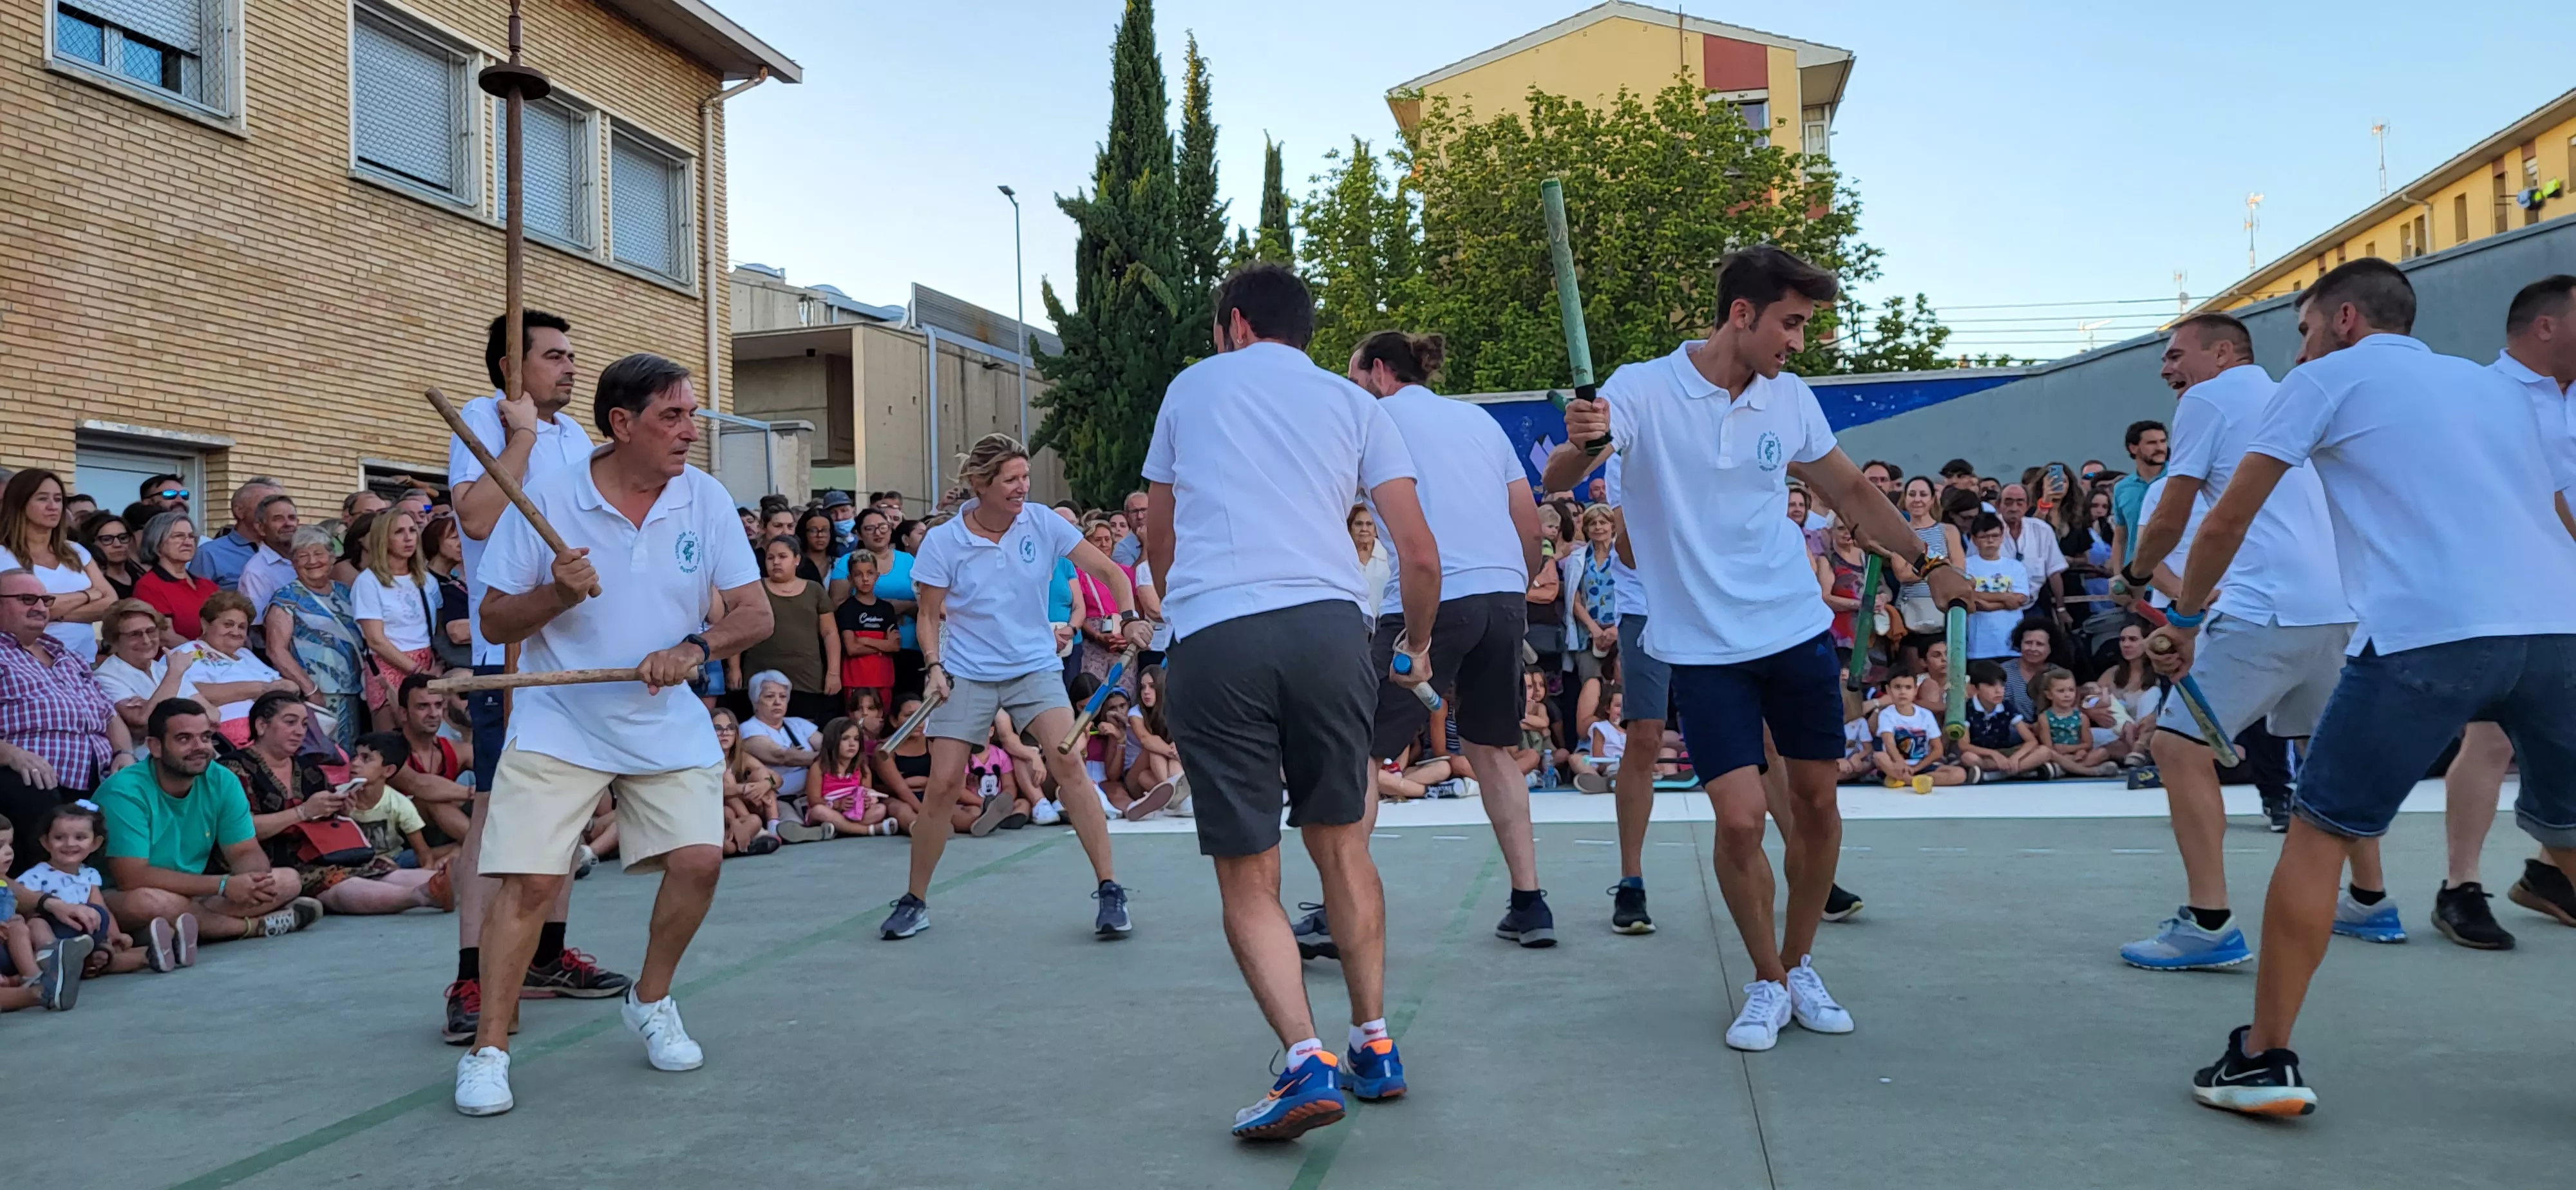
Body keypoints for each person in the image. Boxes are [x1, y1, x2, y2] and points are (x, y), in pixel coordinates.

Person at [2154, 259, 2576, 1117]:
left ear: (2343, 319)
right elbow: (2559, 511)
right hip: (2555, 629)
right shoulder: (2489, 386)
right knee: (2572, 846)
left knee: (2319, 834)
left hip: (2429, 629)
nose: (2299, 348)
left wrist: (2187, 616)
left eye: (2305, 329)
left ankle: (2263, 1061)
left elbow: (2228, 515)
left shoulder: (2326, 379)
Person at [1546, 245, 1973, 1054]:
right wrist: (1585, 438)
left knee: (1816, 806)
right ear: (1741, 314)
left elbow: (1850, 490)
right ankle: (1766, 979)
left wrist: (1930, 565)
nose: (1798, 342)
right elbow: (1565, 476)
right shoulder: (1639, 388)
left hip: (1793, 629)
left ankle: (1800, 961)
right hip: (1702, 649)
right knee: (1740, 823)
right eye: (1791, 323)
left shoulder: (1790, 398)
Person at [1143, 263, 1439, 1138]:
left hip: (1220, 631)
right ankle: (1375, 1043)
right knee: (1344, 846)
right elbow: (1417, 554)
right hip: (1329, 627)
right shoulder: (1359, 407)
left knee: (1250, 869)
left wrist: (1193, 611)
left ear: (1233, 324)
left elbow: (1160, 534)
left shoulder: (1191, 390)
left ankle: (1305, 1060)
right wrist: (1414, 647)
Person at [454, 351, 770, 1118]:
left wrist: (694, 648)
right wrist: (553, 596)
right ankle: (487, 1050)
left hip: (664, 715)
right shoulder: (551, 499)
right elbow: (494, 620)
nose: (690, 431)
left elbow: (754, 613)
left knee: (700, 860)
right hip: (562, 719)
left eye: (691, 414)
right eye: (674, 416)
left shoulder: (705, 499)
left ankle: (651, 1000)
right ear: (621, 424)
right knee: (530, 880)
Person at [2120, 311, 2363, 975]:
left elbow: (2174, 517)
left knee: (2174, 745)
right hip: (2333, 608)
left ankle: (2207, 923)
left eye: (2176, 354)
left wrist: (2146, 585)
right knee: (2328, 750)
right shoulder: (2292, 395)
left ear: (2224, 353)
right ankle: (2370, 901)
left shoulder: (2208, 399)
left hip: (2266, 608)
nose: (2167, 368)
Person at [878, 433, 1151, 942]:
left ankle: (1110, 889)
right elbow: (930, 616)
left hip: (1032, 664)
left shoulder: (1043, 522)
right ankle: (914, 900)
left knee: (1068, 764)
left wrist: (1129, 616)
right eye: (1012, 480)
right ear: (981, 484)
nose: (1023, 487)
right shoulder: (944, 541)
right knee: (941, 785)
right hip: (965, 669)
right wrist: (934, 666)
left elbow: (1111, 571)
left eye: (1025, 477)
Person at [442, 308, 629, 1048]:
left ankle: (546, 956)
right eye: (554, 356)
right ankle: (471, 974)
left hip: (572, 655)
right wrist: (518, 434)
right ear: (511, 367)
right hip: (510, 654)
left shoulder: (578, 437)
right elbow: (482, 520)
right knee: (495, 820)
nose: (570, 367)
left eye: (572, 355)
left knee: (565, 811)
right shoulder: (483, 421)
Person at [1343, 330, 1552, 942]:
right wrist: (1509, 585)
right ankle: (1530, 901)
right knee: (1492, 751)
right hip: (1503, 596)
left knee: (1358, 750)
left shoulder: (1373, 423)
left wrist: (1417, 637)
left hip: (1434, 592)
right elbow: (1529, 527)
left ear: (1379, 372)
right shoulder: (1479, 422)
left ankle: (1342, 907)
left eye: (1356, 379)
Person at [2438, 274, 2576, 947]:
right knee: (2490, 738)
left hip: (2564, 592)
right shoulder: (2482, 394)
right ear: (2545, 325)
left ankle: (2550, 871)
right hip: (2511, 593)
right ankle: (2459, 887)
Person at [97, 699, 319, 942]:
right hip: (122, 895)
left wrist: (254, 881)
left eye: (205, 737)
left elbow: (244, 850)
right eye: (184, 739)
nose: (200, 747)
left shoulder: (222, 779)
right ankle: (254, 926)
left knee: (287, 881)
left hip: (197, 894)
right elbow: (132, 877)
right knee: (149, 902)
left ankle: (177, 931)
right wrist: (223, 886)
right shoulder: (124, 791)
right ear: (155, 747)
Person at [0, 569, 137, 868]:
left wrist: (124, 753)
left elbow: (110, 715)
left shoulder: (69, 657)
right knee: (27, 789)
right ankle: (44, 900)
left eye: (45, 600)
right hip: (36, 776)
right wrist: (10, 754)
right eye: (26, 599)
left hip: (99, 775)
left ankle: (132, 888)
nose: (39, 607)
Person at [24, 800, 167, 975]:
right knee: (36, 923)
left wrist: (114, 934)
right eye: (59, 838)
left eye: (80, 838)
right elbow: (27, 910)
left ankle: (157, 954)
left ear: (95, 843)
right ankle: (54, 958)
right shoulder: (36, 876)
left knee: (109, 952)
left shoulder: (89, 875)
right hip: (57, 934)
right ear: (46, 842)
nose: (70, 844)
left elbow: (102, 909)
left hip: (88, 936)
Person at [261, 527, 365, 751]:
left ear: (331, 557)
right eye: (303, 555)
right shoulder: (286, 598)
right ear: (293, 562)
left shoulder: (346, 592)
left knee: (352, 754)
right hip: (319, 695)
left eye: (318, 553)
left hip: (356, 692)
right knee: (327, 755)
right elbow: (276, 650)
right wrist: (310, 690)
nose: (312, 561)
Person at [0, 470, 115, 663]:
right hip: (29, 664)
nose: (53, 507)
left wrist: (55, 613)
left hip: (85, 662)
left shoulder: (77, 551)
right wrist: (88, 595)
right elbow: (20, 614)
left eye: (58, 499)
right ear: (20, 503)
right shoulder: (4, 555)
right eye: (42, 499)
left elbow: (111, 603)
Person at [735, 536, 839, 725]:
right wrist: (734, 668)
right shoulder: (755, 590)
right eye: (770, 557)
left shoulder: (814, 590)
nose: (776, 562)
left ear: (797, 559)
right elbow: (738, 629)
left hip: (805, 677)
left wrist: (833, 672)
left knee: (804, 732)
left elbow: (830, 634)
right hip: (760, 675)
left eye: (783, 556)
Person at [383, 674, 474, 848]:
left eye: (438, 705)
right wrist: (474, 793)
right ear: (404, 713)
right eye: (423, 706)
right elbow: (421, 785)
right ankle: (486, 850)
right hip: (401, 844)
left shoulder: (457, 750)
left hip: (444, 839)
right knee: (431, 800)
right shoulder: (388, 750)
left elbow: (499, 771)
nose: (433, 714)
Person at [91, 600, 200, 735]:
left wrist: (150, 704)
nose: (147, 640)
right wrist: (173, 675)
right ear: (114, 640)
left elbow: (211, 713)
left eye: (151, 631)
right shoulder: (105, 677)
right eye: (135, 634)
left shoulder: (162, 668)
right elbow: (145, 720)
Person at [1873, 673, 1969, 789]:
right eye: (1898, 687)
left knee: (1960, 774)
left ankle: (1907, 780)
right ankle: (1913, 781)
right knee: (1879, 757)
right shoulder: (1887, 714)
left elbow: (1938, 749)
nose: (1903, 692)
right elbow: (1889, 743)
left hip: (1922, 766)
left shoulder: (1926, 715)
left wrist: (1916, 768)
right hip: (1896, 766)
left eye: (1908, 688)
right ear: (1888, 690)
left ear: (1915, 690)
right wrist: (1900, 762)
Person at [835, 547, 899, 716]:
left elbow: (895, 646)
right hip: (856, 679)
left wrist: (865, 640)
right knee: (858, 724)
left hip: (884, 678)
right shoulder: (847, 609)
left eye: (870, 573)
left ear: (877, 576)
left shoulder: (886, 609)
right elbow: (852, 648)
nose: (865, 579)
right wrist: (883, 644)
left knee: (881, 722)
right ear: (850, 578)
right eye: (858, 574)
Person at [133, 511, 215, 645]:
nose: (188, 542)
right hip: (180, 662)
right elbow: (167, 637)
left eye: (191, 537)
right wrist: (204, 657)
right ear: (158, 543)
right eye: (178, 536)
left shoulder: (207, 585)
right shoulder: (149, 586)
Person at [187, 478, 281, 592]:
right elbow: (195, 601)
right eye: (265, 505)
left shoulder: (287, 551)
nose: (275, 511)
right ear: (239, 511)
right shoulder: (210, 554)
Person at [1959, 513, 2028, 662]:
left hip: (2011, 644)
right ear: (1975, 540)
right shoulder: (1966, 566)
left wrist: (1986, 603)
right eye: (1984, 537)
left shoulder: (2015, 566)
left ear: (2002, 537)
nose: (1990, 541)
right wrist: (2004, 597)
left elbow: (2020, 599)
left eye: (1995, 536)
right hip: (1979, 645)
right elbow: (1971, 598)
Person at [1956, 661, 2042, 779]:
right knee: (1968, 757)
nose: (1999, 690)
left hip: (2006, 752)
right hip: (1982, 754)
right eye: (1991, 686)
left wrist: (2015, 758)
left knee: (2044, 751)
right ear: (1975, 688)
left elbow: (2031, 741)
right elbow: (1964, 745)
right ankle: (2019, 771)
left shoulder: (2007, 706)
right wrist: (1993, 754)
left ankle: (1994, 775)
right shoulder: (1967, 709)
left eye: (2002, 685)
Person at [2108, 419, 2167, 570]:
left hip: (2176, 577)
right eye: (2152, 443)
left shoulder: (2179, 481)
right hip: (2137, 578)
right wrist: (2117, 576)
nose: (2160, 448)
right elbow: (2121, 537)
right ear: (2133, 448)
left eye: (2163, 441)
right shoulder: (2122, 488)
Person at [234, 493, 301, 619]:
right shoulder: (256, 572)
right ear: (260, 528)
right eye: (278, 519)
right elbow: (259, 626)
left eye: (292, 518)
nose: (288, 524)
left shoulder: (307, 560)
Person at [78, 513, 142, 601]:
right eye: (107, 539)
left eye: (123, 538)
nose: (118, 544)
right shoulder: (92, 584)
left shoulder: (140, 574)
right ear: (91, 544)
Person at [791, 509, 837, 585]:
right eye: (813, 530)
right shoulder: (794, 563)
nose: (820, 535)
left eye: (824, 530)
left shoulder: (839, 564)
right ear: (804, 532)